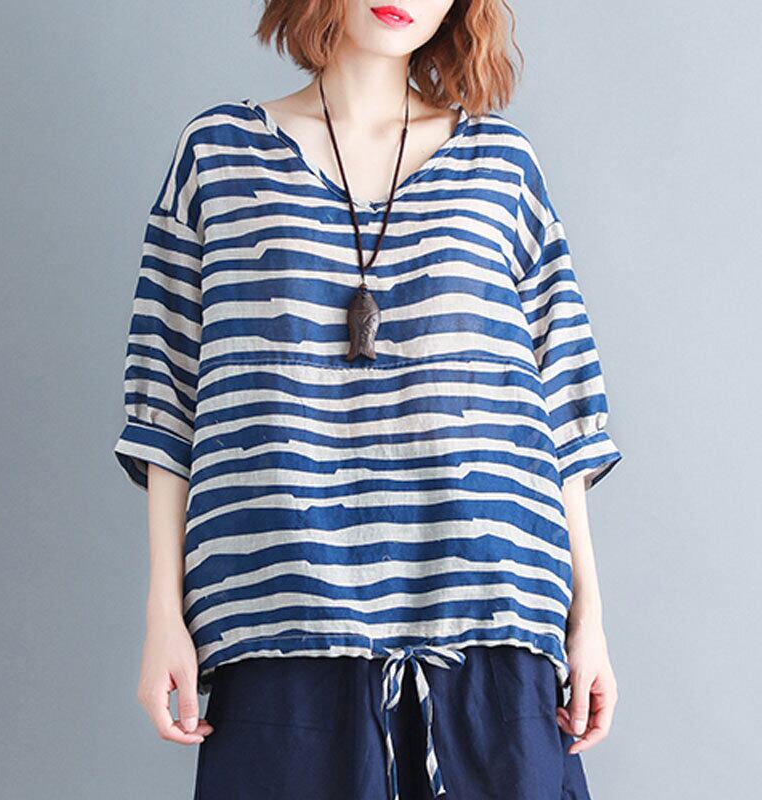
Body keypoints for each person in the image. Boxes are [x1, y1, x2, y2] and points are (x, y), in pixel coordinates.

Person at [113, 1, 623, 798]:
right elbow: (165, 399)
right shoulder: (217, 155)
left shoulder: (503, 167)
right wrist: (163, 616)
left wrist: (588, 623)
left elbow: (563, 405)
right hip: (282, 615)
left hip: (493, 617)